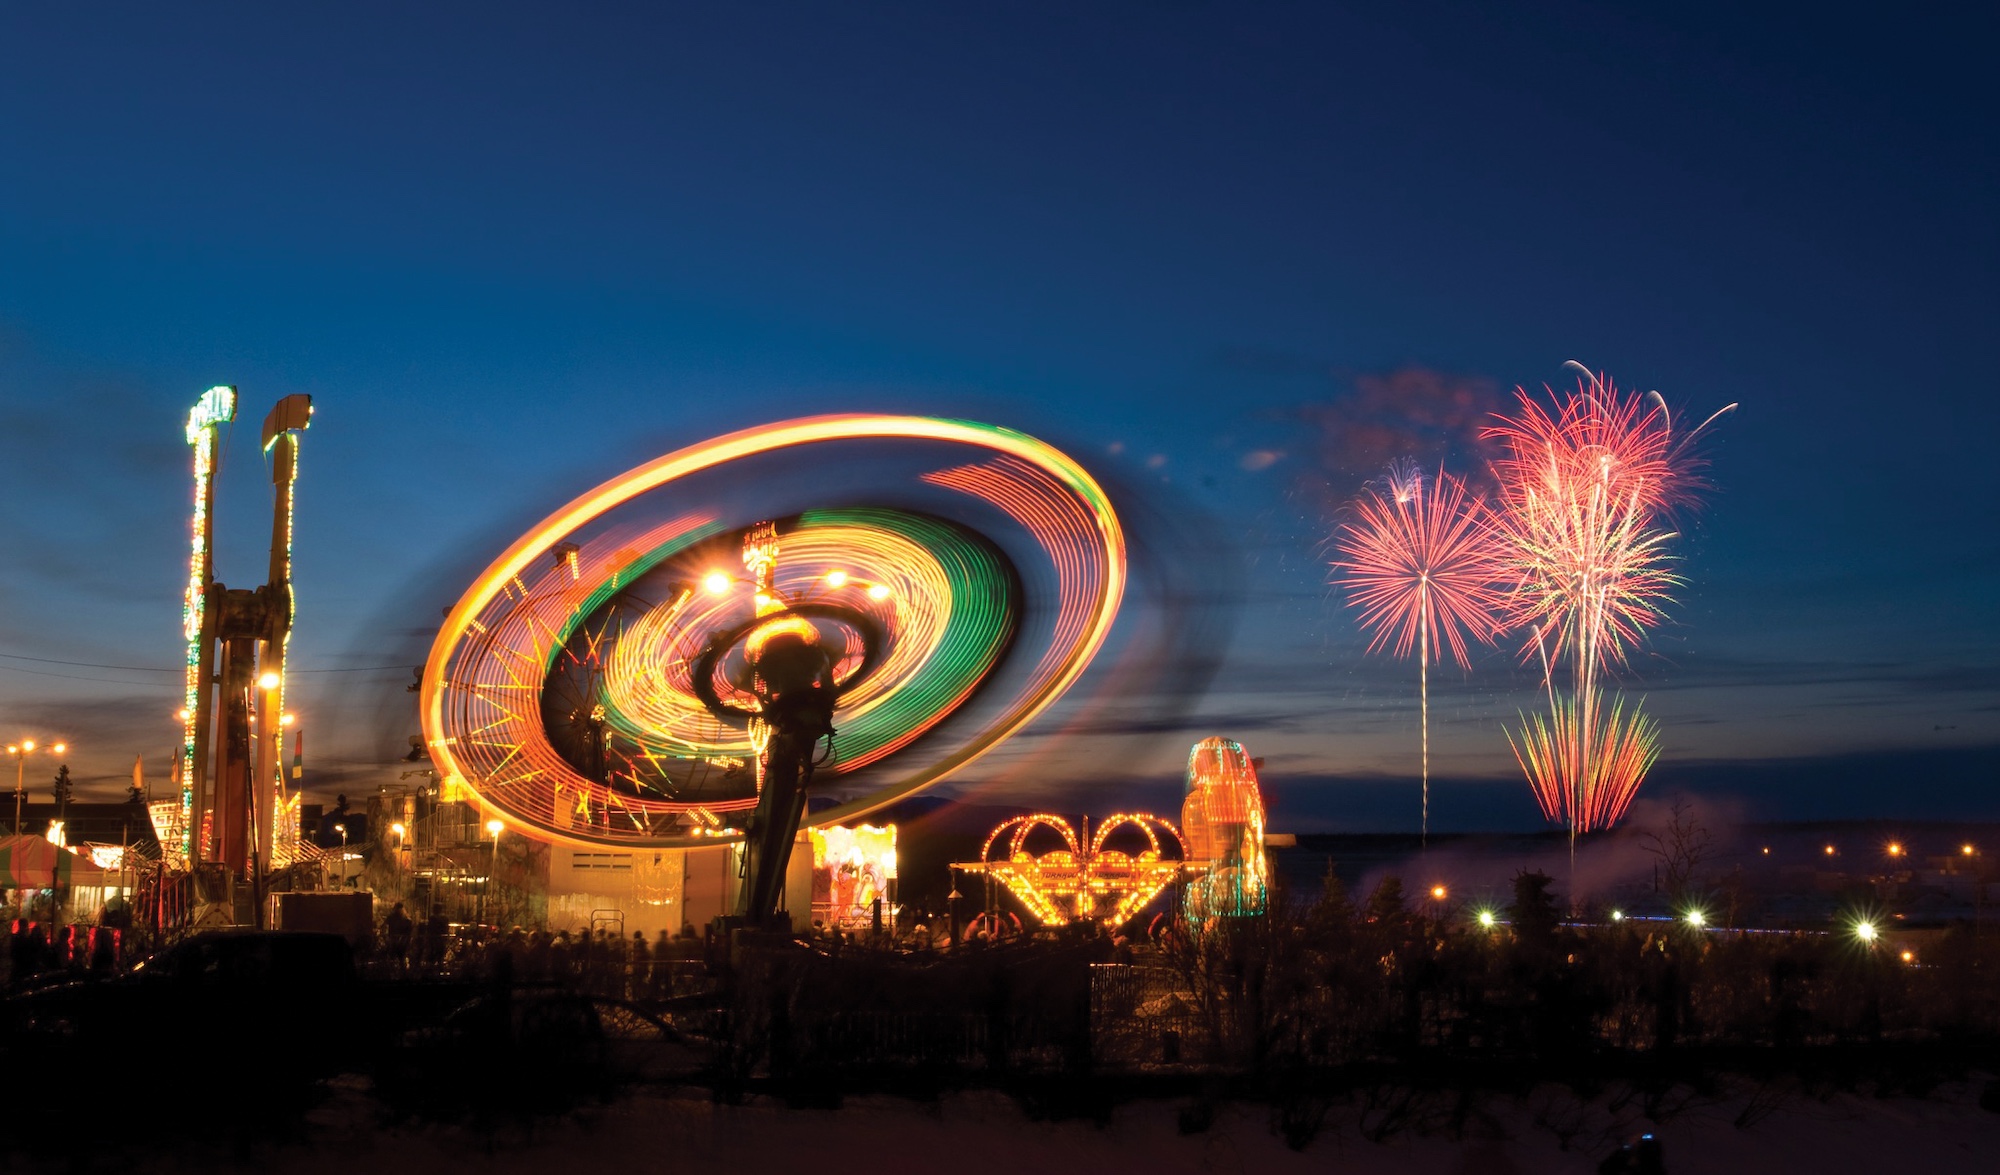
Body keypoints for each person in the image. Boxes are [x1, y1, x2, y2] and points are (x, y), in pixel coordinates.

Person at [384, 902, 413, 971]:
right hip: (400, 941)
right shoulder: (406, 919)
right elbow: (409, 931)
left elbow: (385, 926)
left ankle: (394, 970)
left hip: (396, 941)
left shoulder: (392, 917)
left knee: (396, 957)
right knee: (400, 957)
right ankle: (401, 971)